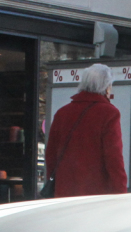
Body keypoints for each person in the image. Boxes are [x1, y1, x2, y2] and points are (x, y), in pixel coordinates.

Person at [45, 64, 126, 197]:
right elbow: (114, 158)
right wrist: (120, 192)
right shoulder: (109, 113)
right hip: (95, 195)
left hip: (64, 192)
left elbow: (51, 155)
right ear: (106, 87)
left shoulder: (62, 113)